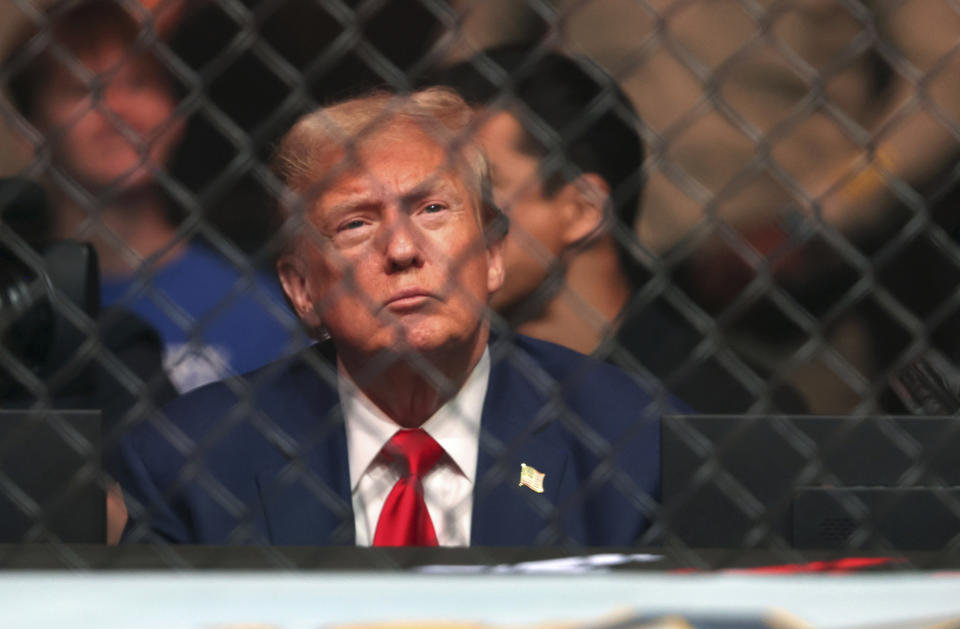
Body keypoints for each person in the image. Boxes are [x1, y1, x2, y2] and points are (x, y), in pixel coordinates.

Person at [109, 88, 683, 546]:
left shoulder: (637, 441)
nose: (403, 249)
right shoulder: (189, 460)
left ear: (491, 256)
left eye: (433, 209)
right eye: (356, 223)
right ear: (302, 288)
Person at [438, 47, 805, 412]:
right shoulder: (426, 387)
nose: (430, 226)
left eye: (480, 188)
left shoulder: (728, 414)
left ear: (583, 209)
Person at [2, 0, 299, 392]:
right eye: (83, 90)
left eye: (139, 82)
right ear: (30, 131)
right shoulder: (17, 309)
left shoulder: (257, 306)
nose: (119, 109)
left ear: (176, 113)